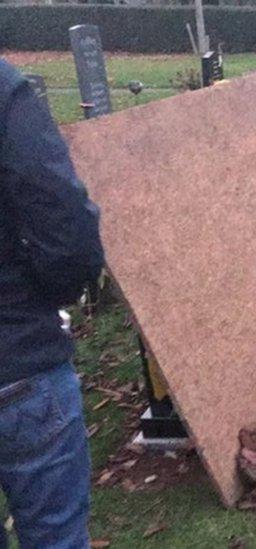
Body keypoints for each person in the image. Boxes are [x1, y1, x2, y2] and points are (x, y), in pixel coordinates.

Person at [0, 59, 105, 548]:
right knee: (56, 537)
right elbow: (63, 226)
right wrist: (55, 297)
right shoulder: (3, 90)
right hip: (19, 359)